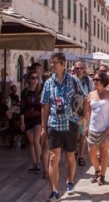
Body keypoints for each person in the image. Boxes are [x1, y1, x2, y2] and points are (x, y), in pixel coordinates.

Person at [40, 52, 87, 201]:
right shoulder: (48, 83)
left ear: (62, 64)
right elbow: (45, 105)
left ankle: (70, 181)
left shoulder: (73, 81)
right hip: (54, 124)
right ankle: (54, 191)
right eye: (51, 62)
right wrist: (43, 127)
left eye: (54, 62)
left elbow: (85, 99)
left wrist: (84, 118)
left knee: (70, 156)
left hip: (70, 123)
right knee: (54, 157)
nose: (51, 64)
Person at [83, 71, 109, 185]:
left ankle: (102, 175)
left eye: (97, 80)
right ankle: (97, 170)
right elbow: (88, 112)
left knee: (104, 152)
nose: (95, 81)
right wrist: (86, 125)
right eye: (94, 79)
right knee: (91, 151)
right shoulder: (91, 94)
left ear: (103, 81)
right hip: (93, 127)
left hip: (105, 128)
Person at [20, 71, 43, 174]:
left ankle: (38, 162)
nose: (34, 80)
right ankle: (34, 164)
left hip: (38, 118)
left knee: (36, 141)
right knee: (31, 143)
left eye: (36, 78)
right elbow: (22, 108)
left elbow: (43, 106)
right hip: (28, 118)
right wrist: (22, 122)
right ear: (29, 79)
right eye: (32, 78)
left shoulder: (41, 91)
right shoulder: (25, 92)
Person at [73, 61, 94, 167]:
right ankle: (75, 150)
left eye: (81, 68)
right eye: (77, 68)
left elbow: (91, 94)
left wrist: (88, 112)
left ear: (84, 69)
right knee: (74, 134)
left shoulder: (88, 80)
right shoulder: (71, 79)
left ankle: (81, 156)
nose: (79, 70)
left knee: (83, 134)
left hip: (84, 109)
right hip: (73, 110)